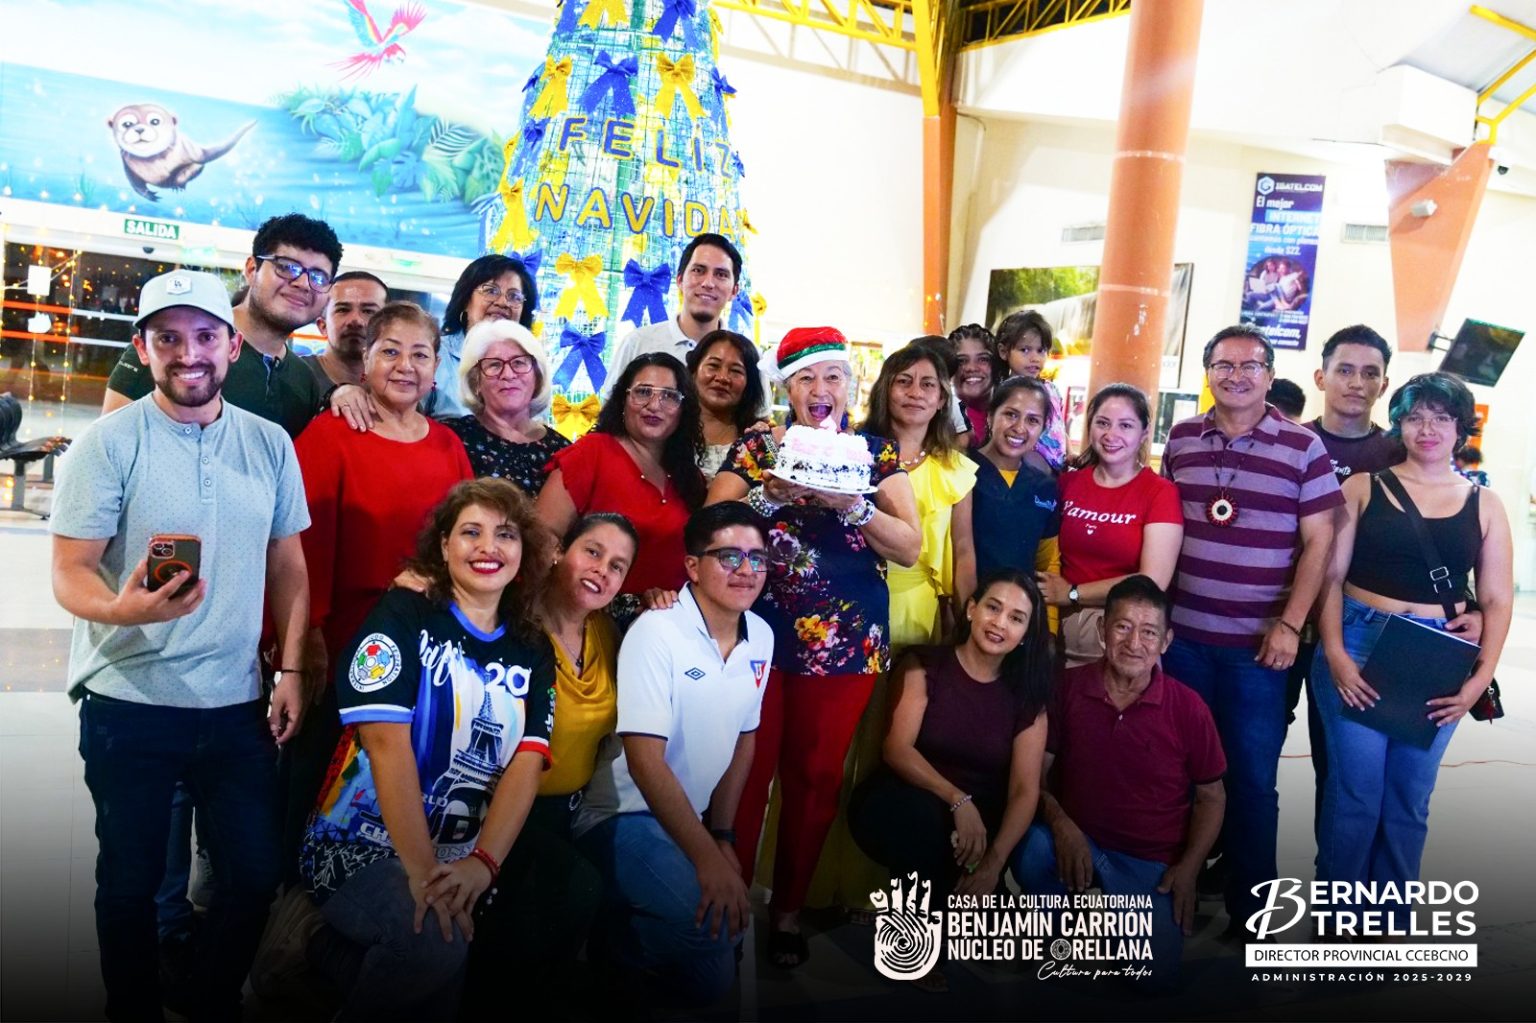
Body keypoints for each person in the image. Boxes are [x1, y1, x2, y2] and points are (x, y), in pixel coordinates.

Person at [51, 270, 310, 1021]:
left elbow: (288, 565)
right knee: (129, 884)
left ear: (232, 346)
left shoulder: (268, 444)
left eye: (204, 337)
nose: (188, 354)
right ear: (142, 349)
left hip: (235, 705)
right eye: (168, 338)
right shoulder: (108, 444)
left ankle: (205, 998)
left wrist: (292, 667)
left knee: (253, 875)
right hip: (128, 703)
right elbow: (70, 570)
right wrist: (121, 609)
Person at [297, 479, 557, 1020]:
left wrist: (483, 864)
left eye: (506, 534)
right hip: (357, 844)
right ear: (443, 545)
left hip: (462, 856)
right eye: (471, 532)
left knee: (453, 964)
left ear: (524, 551)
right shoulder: (404, 614)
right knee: (436, 941)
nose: (488, 547)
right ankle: (317, 949)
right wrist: (421, 872)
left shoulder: (532, 647)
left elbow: (527, 764)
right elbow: (385, 746)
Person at [707, 326, 920, 967]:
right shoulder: (759, 447)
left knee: (816, 778)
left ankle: (789, 912)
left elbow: (909, 547)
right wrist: (766, 496)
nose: (820, 389)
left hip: (846, 645)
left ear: (849, 385)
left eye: (832, 376)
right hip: (756, 637)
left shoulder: (874, 453)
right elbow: (711, 526)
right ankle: (729, 905)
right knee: (744, 774)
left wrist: (852, 505)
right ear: (787, 388)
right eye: (805, 378)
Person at [1159, 324, 1343, 934]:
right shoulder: (1182, 438)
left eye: (1250, 366)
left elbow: (1320, 542)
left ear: (1269, 375)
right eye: (1223, 365)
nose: (1236, 376)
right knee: (1179, 772)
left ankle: (1254, 909)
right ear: (1207, 371)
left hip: (1259, 650)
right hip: (1182, 641)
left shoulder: (1302, 446)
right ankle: (1171, 894)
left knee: (1252, 781)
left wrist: (1290, 624)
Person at [1311, 374, 1512, 923]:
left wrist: (1477, 680)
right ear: (1398, 424)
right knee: (1356, 794)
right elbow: (1329, 578)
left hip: (1438, 656)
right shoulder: (1362, 487)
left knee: (1409, 798)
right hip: (1358, 641)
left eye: (1441, 418)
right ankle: (1338, 923)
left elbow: (1496, 598)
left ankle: (1389, 924)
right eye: (1416, 416)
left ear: (1460, 429)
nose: (1428, 429)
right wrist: (1336, 654)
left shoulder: (1485, 503)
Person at [285, 302, 473, 880]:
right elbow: (299, 548)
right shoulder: (332, 434)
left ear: (437, 368)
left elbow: (467, 544)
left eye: (420, 354)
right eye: (390, 351)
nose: (404, 366)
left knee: (395, 790)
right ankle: (296, 907)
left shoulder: (448, 446)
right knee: (318, 784)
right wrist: (306, 638)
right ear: (364, 360)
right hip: (345, 642)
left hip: (427, 648)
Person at [573, 502, 775, 1008]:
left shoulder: (761, 635)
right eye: (729, 557)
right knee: (713, 929)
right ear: (693, 566)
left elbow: (744, 738)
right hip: (621, 816)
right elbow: (644, 761)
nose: (746, 570)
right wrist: (707, 858)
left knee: (709, 981)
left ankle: (620, 963)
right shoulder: (657, 632)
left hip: (685, 820)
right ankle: (595, 944)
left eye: (757, 558)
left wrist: (723, 836)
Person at [1013, 576, 1225, 989]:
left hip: (1148, 863)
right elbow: (1035, 774)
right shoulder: (1067, 689)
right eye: (1122, 627)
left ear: (1166, 641)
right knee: (1031, 849)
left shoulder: (1189, 708)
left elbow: (1212, 798)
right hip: (1076, 845)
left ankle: (1108, 921)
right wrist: (1061, 823)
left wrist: (1188, 869)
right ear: (1102, 630)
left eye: (1149, 632)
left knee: (1152, 976)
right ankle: (1066, 922)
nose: (1134, 643)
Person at [849, 571, 1050, 906]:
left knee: (976, 886)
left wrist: (994, 862)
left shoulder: (1028, 698)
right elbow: (896, 749)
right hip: (906, 803)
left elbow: (1024, 790)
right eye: (993, 607)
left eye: (1016, 618)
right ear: (971, 609)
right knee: (925, 824)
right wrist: (958, 799)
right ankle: (923, 925)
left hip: (977, 827)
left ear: (1026, 634)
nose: (999, 623)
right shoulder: (923, 666)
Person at [1289, 324, 1410, 834]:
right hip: (1278, 622)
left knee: (1341, 771)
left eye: (1369, 373)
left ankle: (1335, 871)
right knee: (1248, 755)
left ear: (1384, 384)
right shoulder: (1291, 443)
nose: (1356, 382)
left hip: (1358, 634)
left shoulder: (1397, 456)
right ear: (1321, 377)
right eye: (1345, 370)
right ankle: (1235, 862)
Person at [103, 213, 342, 439]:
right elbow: (110, 447)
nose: (303, 283)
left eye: (319, 276)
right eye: (287, 267)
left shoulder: (303, 380)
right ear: (252, 269)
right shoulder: (172, 349)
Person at [537, 353, 705, 621]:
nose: (654, 405)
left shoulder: (689, 477)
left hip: (668, 624)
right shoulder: (591, 453)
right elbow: (541, 538)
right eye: (643, 392)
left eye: (669, 396)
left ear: (683, 409)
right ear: (623, 400)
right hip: (587, 620)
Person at [1036, 384, 1183, 666]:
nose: (1111, 434)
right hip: (1053, 625)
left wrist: (1072, 593)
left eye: (1125, 425)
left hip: (1118, 633)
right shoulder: (1067, 483)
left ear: (1144, 433)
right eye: (1102, 423)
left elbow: (1153, 580)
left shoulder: (1159, 492)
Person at [601, 232, 744, 399]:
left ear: (734, 291)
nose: (708, 283)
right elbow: (610, 410)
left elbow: (758, 413)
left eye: (721, 274)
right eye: (698, 270)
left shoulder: (745, 356)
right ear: (680, 280)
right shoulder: (638, 344)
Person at [969, 377, 1062, 619]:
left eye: (1032, 420)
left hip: (1018, 618)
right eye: (1010, 414)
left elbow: (1045, 565)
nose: (1020, 428)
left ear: (1043, 429)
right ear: (991, 416)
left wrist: (1050, 628)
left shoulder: (1045, 487)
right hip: (966, 611)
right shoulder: (961, 470)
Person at [443, 318, 569, 494]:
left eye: (519, 363)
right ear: (476, 381)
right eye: (494, 365)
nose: (508, 375)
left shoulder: (562, 451)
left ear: (537, 375)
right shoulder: (452, 438)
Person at [424, 254, 538, 420]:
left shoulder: (531, 366)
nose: (502, 302)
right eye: (491, 291)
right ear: (465, 300)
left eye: (514, 296)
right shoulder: (432, 354)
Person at [686, 328, 769, 479]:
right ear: (693, 371)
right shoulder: (667, 432)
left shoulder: (760, 439)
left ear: (749, 384)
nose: (723, 378)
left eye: (736, 371)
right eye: (713, 366)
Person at [994, 310, 1067, 471]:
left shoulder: (1052, 390)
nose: (1035, 358)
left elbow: (1058, 426)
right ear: (1004, 351)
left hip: (1057, 470)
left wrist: (1071, 453)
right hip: (1024, 470)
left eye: (1041, 350)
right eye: (1025, 350)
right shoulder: (1004, 393)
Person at [299, 271, 389, 388]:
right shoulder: (293, 376)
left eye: (368, 311)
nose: (356, 320)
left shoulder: (397, 388)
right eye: (343, 310)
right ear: (323, 326)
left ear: (387, 327)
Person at [948, 323, 998, 448]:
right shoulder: (939, 418)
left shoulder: (1011, 412)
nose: (972, 368)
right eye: (961, 361)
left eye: (983, 359)